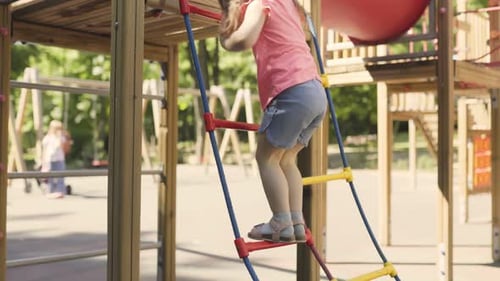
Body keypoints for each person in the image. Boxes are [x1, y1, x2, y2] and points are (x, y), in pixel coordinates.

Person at [217, 0, 327, 243]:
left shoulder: (260, 4)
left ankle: (280, 221)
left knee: (266, 158)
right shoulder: (288, 6)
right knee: (287, 160)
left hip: (291, 92)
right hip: (316, 92)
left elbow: (243, 41)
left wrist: (225, 37)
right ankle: (296, 222)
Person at [41, 120, 71, 199]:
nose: (59, 130)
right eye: (57, 128)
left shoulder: (61, 138)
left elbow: (61, 147)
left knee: (60, 176)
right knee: (50, 176)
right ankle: (50, 191)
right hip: (50, 159)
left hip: (59, 159)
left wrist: (61, 137)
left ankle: (60, 191)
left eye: (60, 128)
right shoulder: (47, 138)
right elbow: (44, 150)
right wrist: (43, 162)